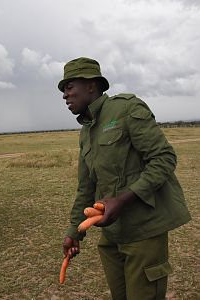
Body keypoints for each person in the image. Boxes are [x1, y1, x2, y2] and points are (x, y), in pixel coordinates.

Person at [58, 57, 191, 300]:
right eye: (63, 90)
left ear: (91, 85)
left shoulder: (126, 109)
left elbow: (163, 158)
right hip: (111, 237)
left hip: (144, 231)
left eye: (69, 87)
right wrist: (73, 232)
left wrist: (123, 200)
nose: (65, 95)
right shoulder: (86, 132)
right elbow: (86, 188)